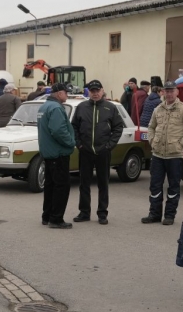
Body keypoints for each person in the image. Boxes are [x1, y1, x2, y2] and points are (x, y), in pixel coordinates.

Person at [144, 81, 183, 224]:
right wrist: (152, 141)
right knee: (155, 186)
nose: (169, 94)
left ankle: (169, 215)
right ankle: (154, 214)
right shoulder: (158, 109)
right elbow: (151, 127)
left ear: (176, 92)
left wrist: (181, 143)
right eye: (166, 91)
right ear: (163, 92)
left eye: (171, 91)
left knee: (173, 186)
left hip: (174, 156)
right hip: (158, 155)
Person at [72, 79, 124, 225]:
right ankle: (84, 212)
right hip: (85, 151)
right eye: (92, 91)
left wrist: (109, 145)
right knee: (84, 183)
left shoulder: (110, 107)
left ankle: (102, 213)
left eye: (97, 90)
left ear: (102, 91)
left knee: (103, 183)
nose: (95, 93)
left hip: (103, 151)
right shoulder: (81, 107)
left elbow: (118, 127)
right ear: (89, 92)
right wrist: (79, 144)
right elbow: (74, 127)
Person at [39, 83, 76, 229]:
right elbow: (58, 130)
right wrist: (71, 142)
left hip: (49, 153)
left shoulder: (44, 107)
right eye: (66, 92)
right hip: (58, 153)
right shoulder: (56, 108)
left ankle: (47, 216)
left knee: (50, 186)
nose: (67, 95)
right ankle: (56, 219)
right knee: (61, 186)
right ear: (59, 93)